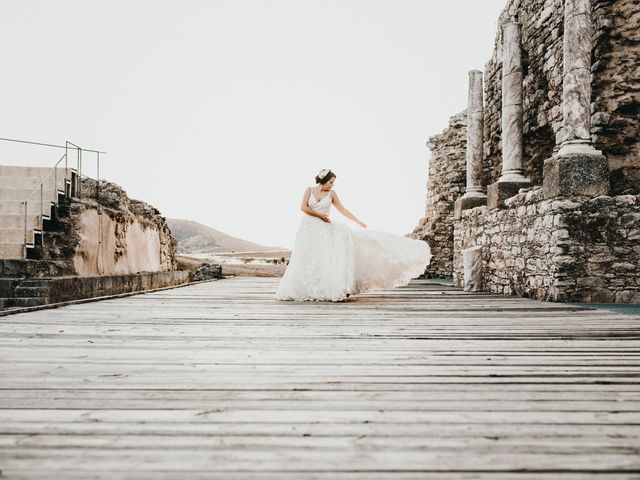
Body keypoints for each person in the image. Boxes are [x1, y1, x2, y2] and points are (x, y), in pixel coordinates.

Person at [275, 168, 432, 302]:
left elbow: (342, 209)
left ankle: (327, 287)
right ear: (323, 180)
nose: (332, 185)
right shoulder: (309, 190)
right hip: (308, 227)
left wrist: (358, 221)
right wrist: (320, 216)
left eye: (333, 183)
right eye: (331, 182)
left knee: (331, 253)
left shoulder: (332, 194)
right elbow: (303, 207)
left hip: (324, 227)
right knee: (306, 256)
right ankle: (303, 288)